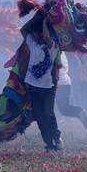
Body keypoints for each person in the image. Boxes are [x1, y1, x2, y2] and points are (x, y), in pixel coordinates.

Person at [21, 14, 63, 151]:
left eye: (36, 34)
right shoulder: (32, 43)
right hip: (33, 87)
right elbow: (23, 30)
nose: (34, 36)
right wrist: (37, 17)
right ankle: (49, 144)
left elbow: (46, 37)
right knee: (40, 117)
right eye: (33, 34)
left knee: (49, 113)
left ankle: (56, 138)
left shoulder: (53, 46)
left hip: (48, 87)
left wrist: (44, 22)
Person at [56, 52, 87, 128]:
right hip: (63, 83)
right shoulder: (61, 53)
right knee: (63, 109)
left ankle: (79, 111)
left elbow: (57, 69)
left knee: (63, 109)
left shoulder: (57, 53)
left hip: (60, 84)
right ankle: (79, 112)